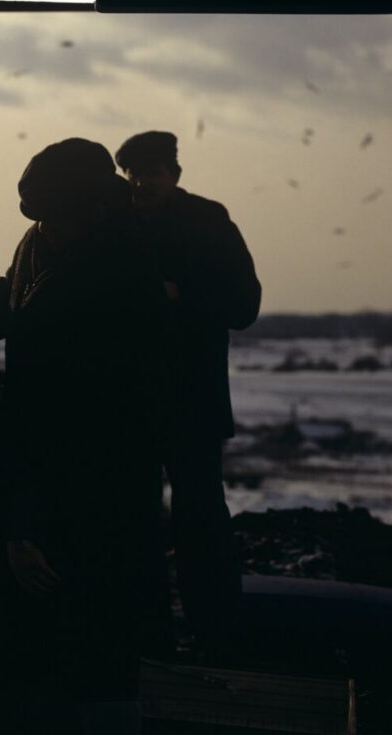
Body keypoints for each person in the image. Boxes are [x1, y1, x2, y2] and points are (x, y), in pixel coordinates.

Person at [0, 138, 169, 735]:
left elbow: (68, 419)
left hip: (103, 479)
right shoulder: (43, 242)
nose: (43, 225)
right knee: (44, 626)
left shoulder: (121, 276)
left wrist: (22, 525)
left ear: (93, 209)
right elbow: (9, 298)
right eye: (37, 216)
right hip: (48, 474)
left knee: (101, 624)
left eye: (54, 216)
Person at [114, 130, 262, 653]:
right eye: (133, 173)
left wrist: (181, 295)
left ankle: (217, 635)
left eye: (151, 172)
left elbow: (244, 305)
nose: (141, 182)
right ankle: (147, 636)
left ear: (174, 174)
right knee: (135, 524)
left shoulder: (208, 220)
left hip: (191, 399)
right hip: (128, 403)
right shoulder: (114, 224)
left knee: (200, 518)